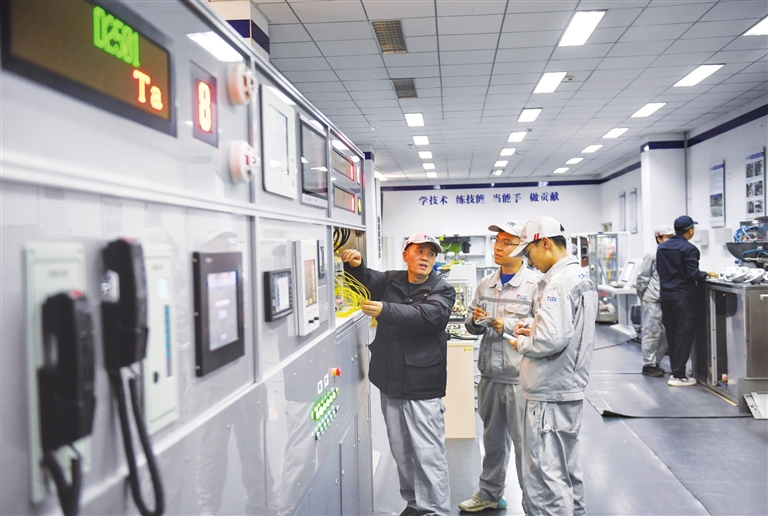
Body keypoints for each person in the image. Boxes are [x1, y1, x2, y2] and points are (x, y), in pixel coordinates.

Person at [341, 233, 455, 516]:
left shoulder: (442, 290)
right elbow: (365, 280)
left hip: (422, 385)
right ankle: (414, 503)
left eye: (431, 253)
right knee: (401, 450)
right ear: (406, 255)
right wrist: (355, 265)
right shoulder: (390, 280)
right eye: (419, 251)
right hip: (390, 381)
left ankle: (435, 510)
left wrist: (385, 309)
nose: (425, 257)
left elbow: (427, 317)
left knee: (428, 453)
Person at [507, 216, 598, 516]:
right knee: (567, 471)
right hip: (567, 387)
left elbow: (550, 340)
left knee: (546, 477)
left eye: (528, 252)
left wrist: (523, 342)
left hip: (549, 394)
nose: (529, 261)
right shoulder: (580, 277)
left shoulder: (557, 283)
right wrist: (534, 327)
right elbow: (566, 329)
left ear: (544, 242)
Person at [458, 222, 541, 514]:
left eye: (506, 242)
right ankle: (490, 493)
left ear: (521, 248)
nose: (498, 247)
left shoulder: (534, 285)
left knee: (526, 446)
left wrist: (503, 324)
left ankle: (534, 504)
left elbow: (542, 329)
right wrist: (475, 320)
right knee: (492, 442)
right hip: (490, 376)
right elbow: (470, 323)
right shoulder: (486, 284)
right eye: (497, 240)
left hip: (521, 380)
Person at [656, 216, 718, 387]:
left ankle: (675, 371)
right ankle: (679, 375)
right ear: (690, 230)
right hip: (683, 297)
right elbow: (692, 274)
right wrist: (706, 274)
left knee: (672, 334)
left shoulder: (662, 248)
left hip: (666, 296)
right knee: (684, 334)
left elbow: (660, 271)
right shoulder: (690, 249)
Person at [635, 225, 674, 377]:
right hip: (652, 299)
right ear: (659, 239)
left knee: (665, 334)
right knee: (651, 332)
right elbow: (642, 277)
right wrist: (641, 295)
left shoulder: (673, 253)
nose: (670, 240)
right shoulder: (652, 255)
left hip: (667, 299)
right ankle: (648, 364)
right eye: (667, 237)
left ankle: (655, 362)